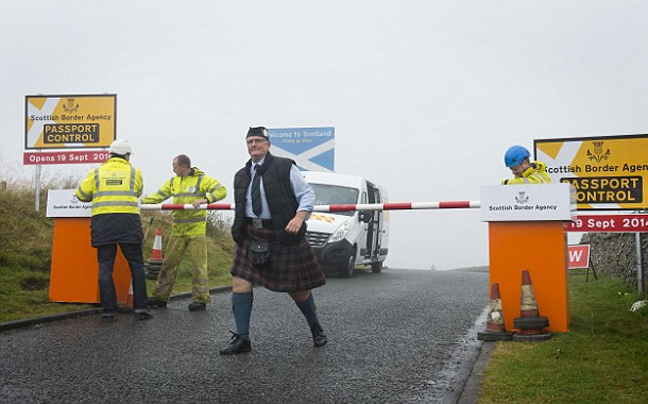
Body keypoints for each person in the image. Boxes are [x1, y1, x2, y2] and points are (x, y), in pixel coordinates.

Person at [219, 126, 328, 355]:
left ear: (268, 144)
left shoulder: (284, 166)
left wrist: (299, 217)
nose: (254, 145)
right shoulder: (241, 174)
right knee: (240, 283)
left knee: (298, 290)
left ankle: (315, 327)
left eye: (258, 141)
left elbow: (306, 195)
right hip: (251, 235)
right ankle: (242, 338)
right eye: (250, 142)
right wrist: (238, 231)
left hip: (282, 235)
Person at [75, 139, 153, 321]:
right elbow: (138, 192)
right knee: (137, 265)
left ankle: (108, 311)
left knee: (105, 266)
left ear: (110, 154)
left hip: (104, 223)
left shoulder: (97, 172)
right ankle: (141, 309)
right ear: (127, 156)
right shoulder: (135, 172)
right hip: (128, 222)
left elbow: (80, 195)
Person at [142, 154, 227, 311]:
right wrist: (140, 202)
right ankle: (160, 297)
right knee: (169, 264)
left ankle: (200, 300)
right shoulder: (173, 182)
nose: (173, 169)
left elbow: (221, 190)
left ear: (184, 167)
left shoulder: (202, 179)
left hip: (196, 230)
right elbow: (159, 196)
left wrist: (205, 200)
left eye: (175, 166)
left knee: (198, 266)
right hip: (178, 229)